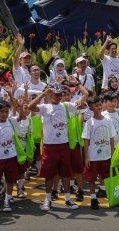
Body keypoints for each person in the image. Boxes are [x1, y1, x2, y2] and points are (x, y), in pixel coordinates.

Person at [28, 80, 88, 212]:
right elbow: (30, 107)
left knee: (65, 173)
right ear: (50, 95)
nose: (59, 97)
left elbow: (83, 104)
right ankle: (47, 199)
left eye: (60, 94)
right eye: (56, 94)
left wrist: (80, 102)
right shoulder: (45, 108)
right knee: (49, 174)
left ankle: (68, 198)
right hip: (50, 146)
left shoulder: (66, 105)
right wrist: (43, 93)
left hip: (64, 145)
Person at [82, 96, 115, 210]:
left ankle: (108, 193)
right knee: (91, 178)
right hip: (93, 155)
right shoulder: (90, 122)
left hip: (106, 154)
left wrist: (112, 150)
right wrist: (86, 157)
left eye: (100, 104)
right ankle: (93, 198)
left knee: (106, 175)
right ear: (91, 108)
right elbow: (86, 140)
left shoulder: (108, 120)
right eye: (96, 106)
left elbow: (111, 136)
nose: (99, 107)